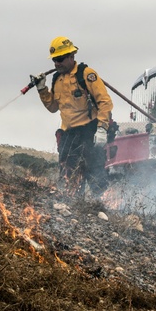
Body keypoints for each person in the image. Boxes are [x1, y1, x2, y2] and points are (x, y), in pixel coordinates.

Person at [32, 36, 115, 196]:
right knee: (68, 179)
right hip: (68, 136)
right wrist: (42, 89)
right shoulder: (57, 79)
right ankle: (72, 207)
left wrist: (102, 128)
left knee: (97, 178)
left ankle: (101, 207)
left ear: (71, 56)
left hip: (89, 133)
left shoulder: (86, 75)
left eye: (60, 59)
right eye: (54, 60)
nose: (57, 64)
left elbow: (105, 102)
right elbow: (53, 107)